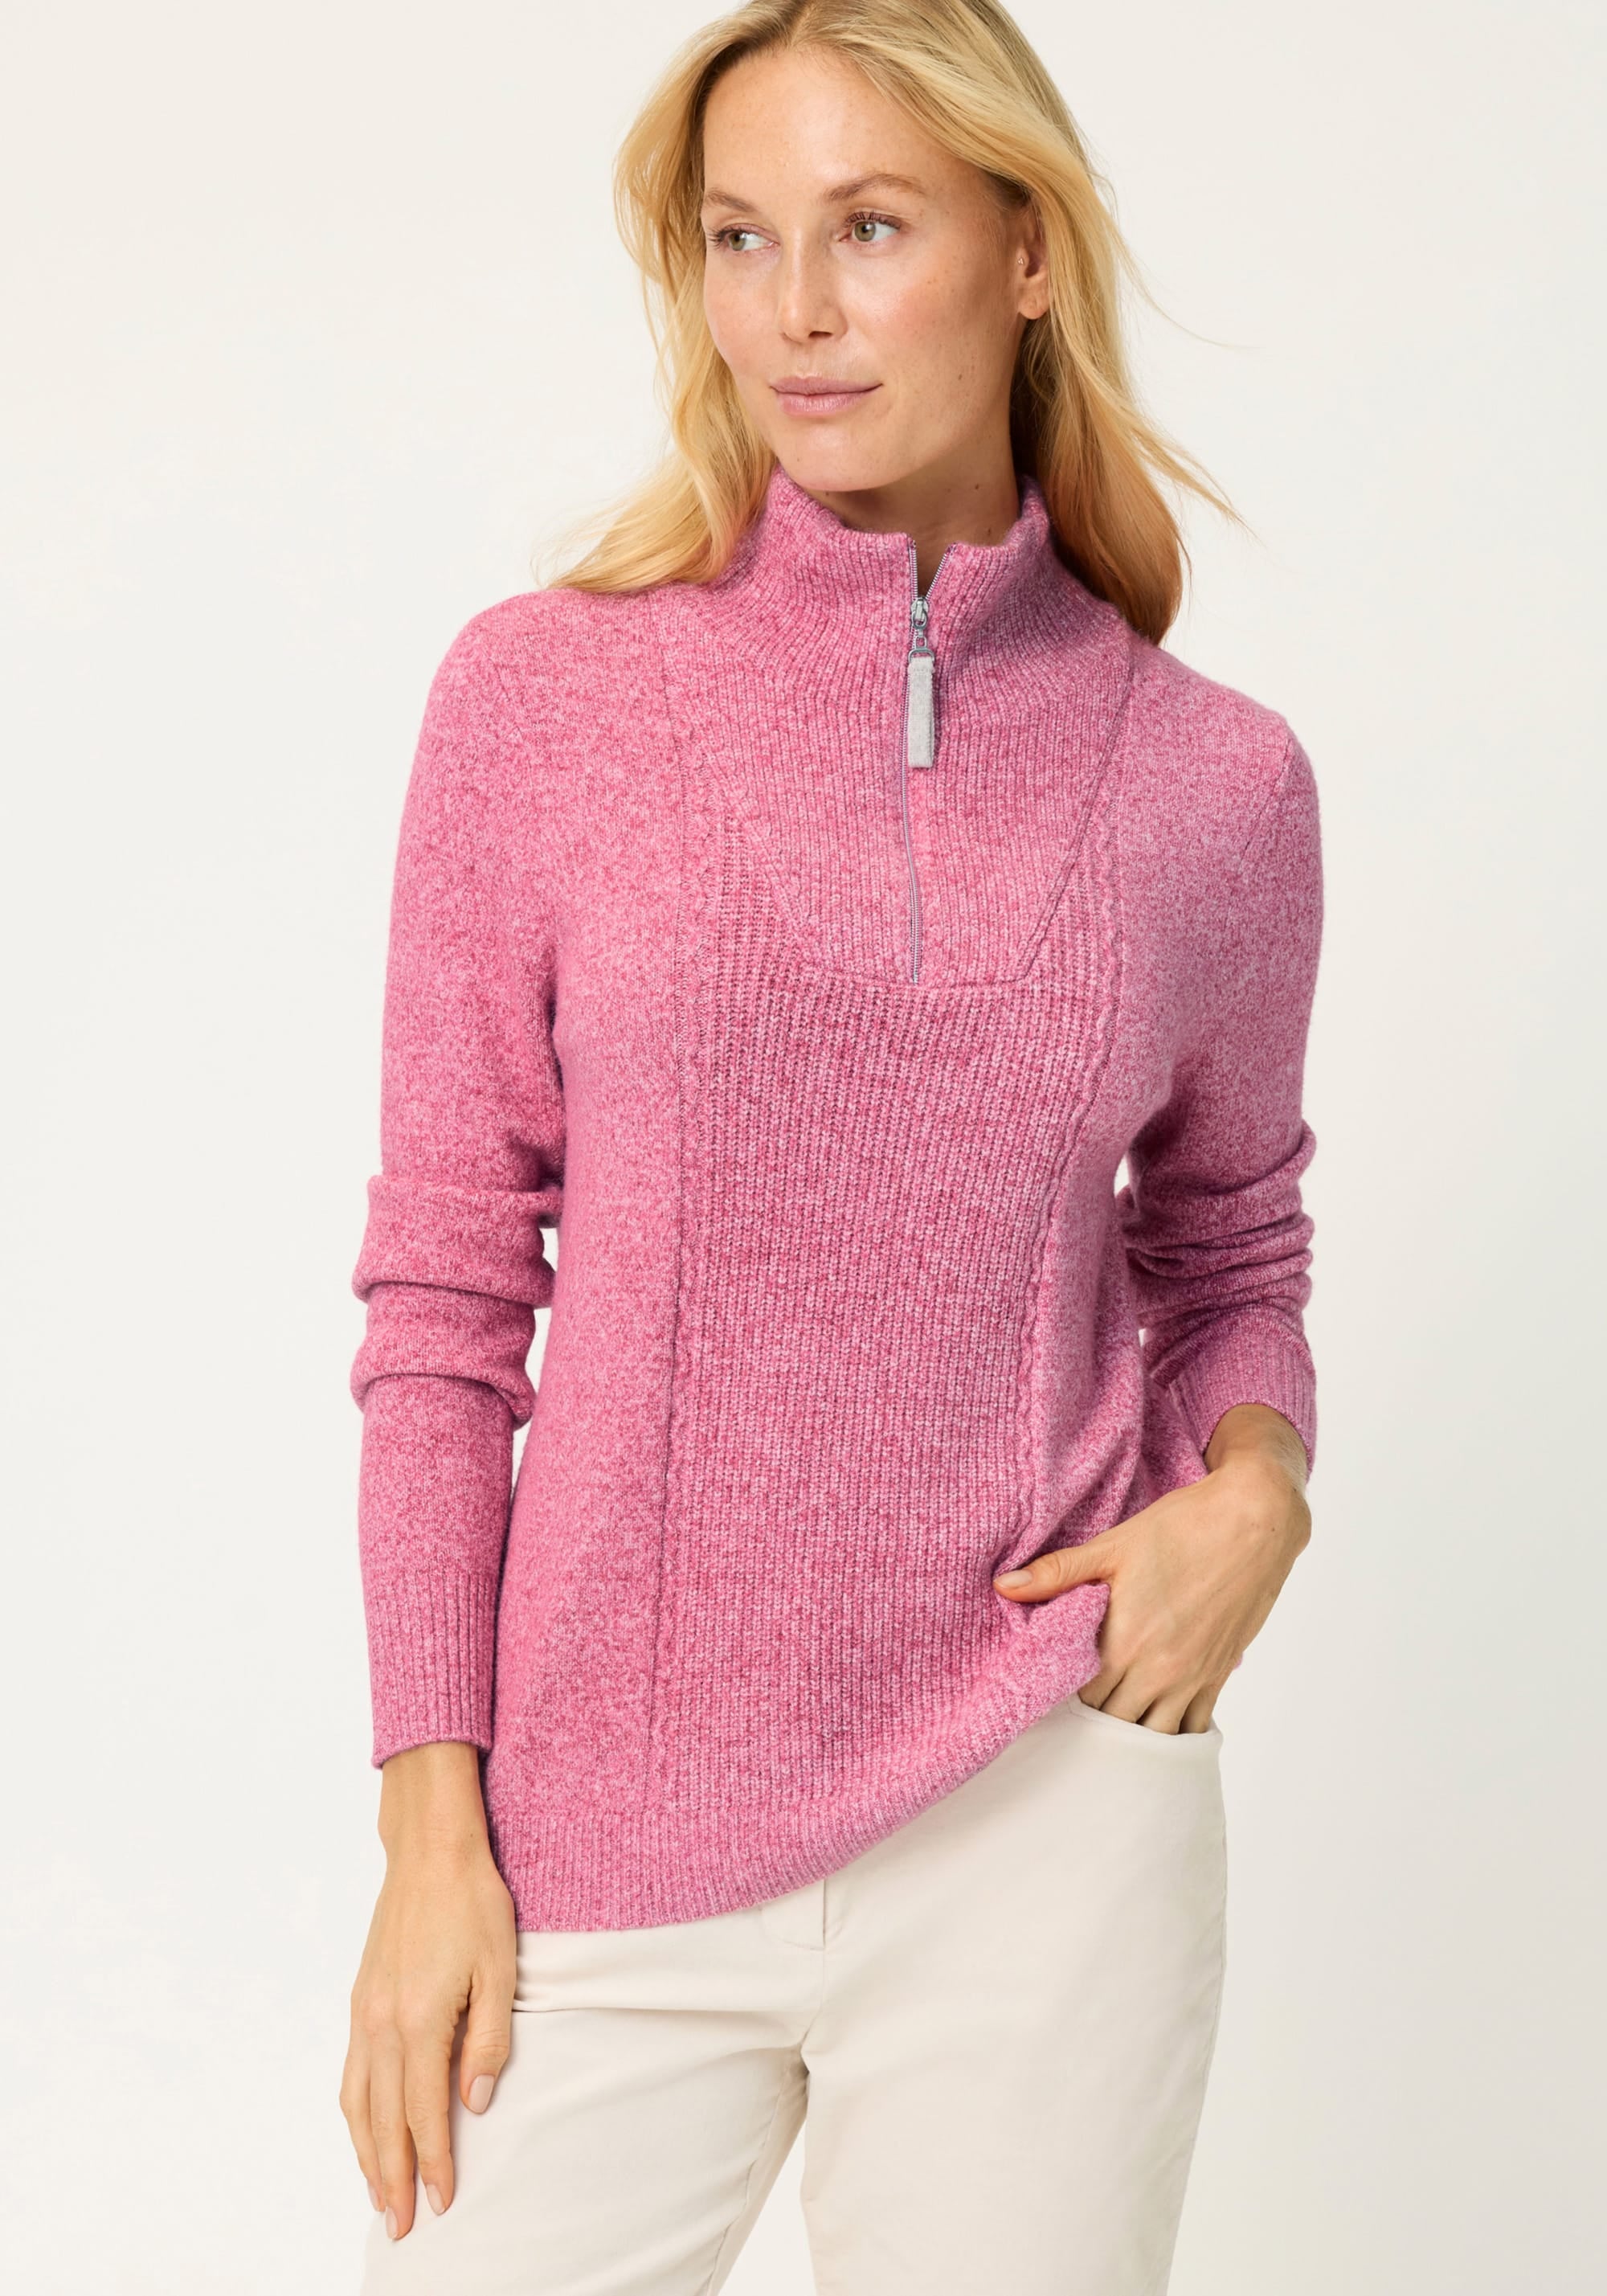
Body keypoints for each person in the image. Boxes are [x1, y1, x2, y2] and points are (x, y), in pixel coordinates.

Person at [338, 3, 1322, 2289]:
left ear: (1028, 252)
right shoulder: (542, 700)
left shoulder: (1220, 785)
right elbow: (447, 1304)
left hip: (1044, 1809)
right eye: (739, 237)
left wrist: (1256, 1489)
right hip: (593, 1822)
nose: (793, 307)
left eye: (870, 229)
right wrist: (428, 1827)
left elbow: (1232, 1243)